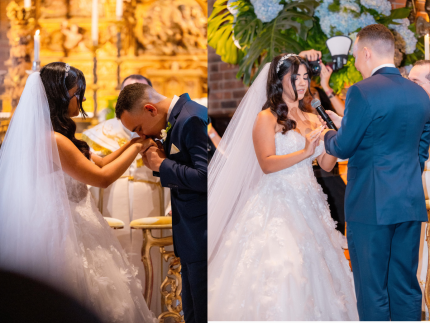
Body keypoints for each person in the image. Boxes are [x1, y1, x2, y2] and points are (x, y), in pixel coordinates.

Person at [0, 63, 158, 323]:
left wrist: (132, 143)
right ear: (60, 97)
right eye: (77, 93)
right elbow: (103, 178)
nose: (82, 99)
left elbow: (103, 162)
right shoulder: (53, 140)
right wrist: (139, 145)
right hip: (65, 230)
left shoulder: (62, 137)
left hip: (80, 222)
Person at [208, 54, 358, 320]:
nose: (301, 83)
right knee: (286, 265)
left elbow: (324, 164)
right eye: (294, 77)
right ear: (279, 80)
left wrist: (336, 136)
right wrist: (304, 152)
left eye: (304, 77)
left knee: (321, 267)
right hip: (277, 201)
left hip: (310, 199)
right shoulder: (266, 117)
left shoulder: (312, 117)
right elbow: (266, 164)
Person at [322, 24, 430, 321]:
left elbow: (343, 146)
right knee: (405, 287)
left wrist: (327, 134)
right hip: (408, 201)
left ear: (367, 52)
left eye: (356, 55)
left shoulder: (361, 91)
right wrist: (408, 169)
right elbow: (422, 142)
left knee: (373, 291)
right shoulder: (419, 93)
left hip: (371, 205)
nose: (356, 63)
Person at [115, 85, 207, 323]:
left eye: (139, 128)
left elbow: (207, 177)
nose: (143, 136)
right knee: (193, 312)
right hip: (190, 234)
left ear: (150, 109)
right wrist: (163, 161)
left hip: (202, 232)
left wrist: (162, 166)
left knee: (203, 312)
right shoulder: (178, 119)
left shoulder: (191, 118)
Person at [82, 74, 171, 314]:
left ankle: (155, 312)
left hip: (152, 203)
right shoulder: (97, 135)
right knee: (115, 265)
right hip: (112, 206)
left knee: (151, 261)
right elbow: (90, 176)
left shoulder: (164, 129)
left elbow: (173, 171)